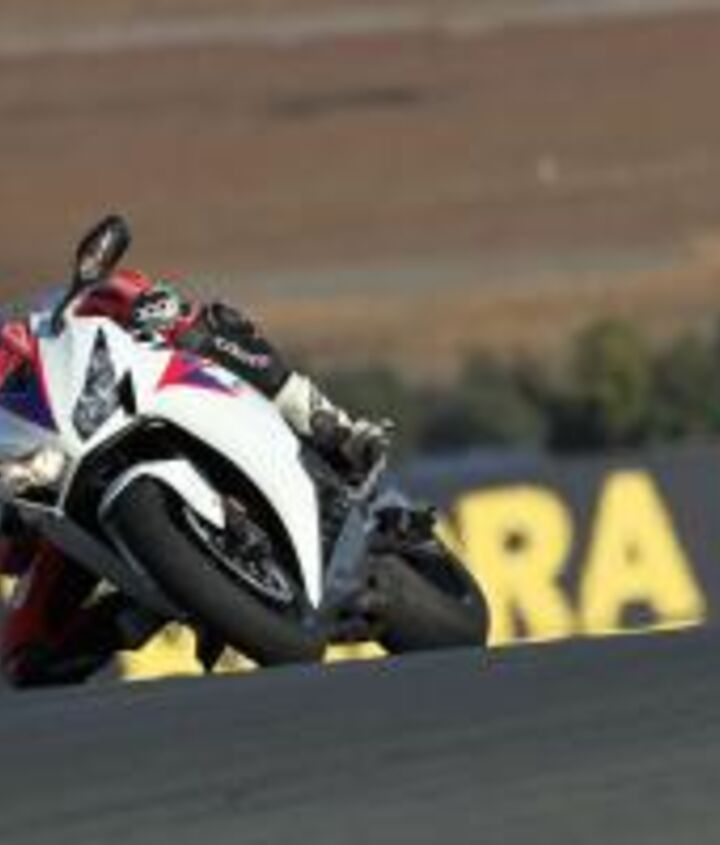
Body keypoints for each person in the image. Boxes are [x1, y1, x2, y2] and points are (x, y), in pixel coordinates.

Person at [0, 220, 389, 687]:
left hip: (111, 403)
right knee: (25, 660)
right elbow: (11, 559)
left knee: (184, 318)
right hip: (59, 507)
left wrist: (139, 303)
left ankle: (327, 423)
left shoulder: (23, 331)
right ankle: (149, 608)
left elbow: (81, 309)